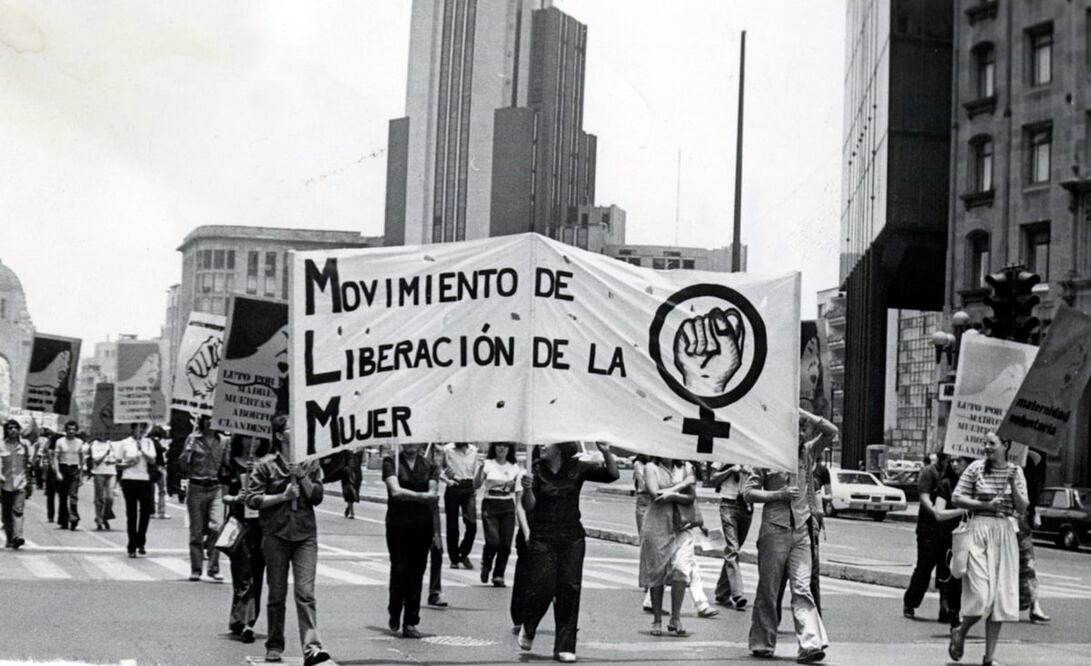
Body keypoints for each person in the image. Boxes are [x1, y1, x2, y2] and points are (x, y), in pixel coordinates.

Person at [518, 441, 619, 663]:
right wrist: (527, 489)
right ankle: (529, 624)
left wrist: (606, 452)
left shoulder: (577, 468)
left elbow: (612, 475)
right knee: (542, 587)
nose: (542, 446)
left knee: (569, 589)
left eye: (548, 442)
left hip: (572, 537)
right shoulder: (533, 470)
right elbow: (529, 506)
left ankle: (564, 646)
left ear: (560, 447)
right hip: (542, 537)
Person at [743, 410, 830, 663]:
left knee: (802, 588)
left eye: (805, 430)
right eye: (798, 430)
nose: (803, 435)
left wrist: (805, 414)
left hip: (801, 529)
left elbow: (831, 432)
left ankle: (810, 643)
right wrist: (777, 494)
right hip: (775, 529)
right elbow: (747, 492)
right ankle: (762, 642)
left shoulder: (807, 452)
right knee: (769, 590)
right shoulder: (766, 454)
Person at [245, 414, 330, 666]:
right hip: (276, 536)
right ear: (280, 435)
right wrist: (282, 496)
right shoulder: (266, 465)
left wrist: (302, 476)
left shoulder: (310, 462)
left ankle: (312, 647)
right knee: (277, 594)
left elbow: (316, 496)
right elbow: (252, 499)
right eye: (291, 428)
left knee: (305, 593)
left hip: (305, 536)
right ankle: (274, 644)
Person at [948, 432, 1029, 666]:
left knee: (999, 600)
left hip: (1004, 532)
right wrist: (985, 504)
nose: (986, 447)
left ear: (1005, 446)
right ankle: (960, 631)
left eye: (991, 443)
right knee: (981, 596)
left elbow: (1022, 507)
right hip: (979, 530)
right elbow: (956, 497)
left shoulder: (1016, 471)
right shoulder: (975, 468)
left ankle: (989, 657)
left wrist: (1013, 483)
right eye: (984, 443)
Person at [382, 442, 440, 638]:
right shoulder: (391, 461)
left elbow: (434, 493)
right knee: (399, 569)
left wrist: (417, 497)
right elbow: (395, 492)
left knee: (416, 573)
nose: (410, 444)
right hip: (398, 525)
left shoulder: (430, 465)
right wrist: (421, 496)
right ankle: (395, 608)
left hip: (422, 526)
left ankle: (411, 621)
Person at [639, 458, 701, 637]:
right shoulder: (651, 468)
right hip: (657, 522)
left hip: (682, 525)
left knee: (681, 569)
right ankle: (657, 619)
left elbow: (691, 497)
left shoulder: (686, 466)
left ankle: (676, 617)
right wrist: (681, 486)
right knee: (656, 571)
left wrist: (673, 495)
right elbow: (655, 494)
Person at [221, 434, 270, 645]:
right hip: (238, 524)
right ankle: (239, 618)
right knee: (242, 572)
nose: (254, 442)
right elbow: (223, 494)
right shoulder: (230, 464)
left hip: (261, 525)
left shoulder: (267, 465)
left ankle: (249, 621)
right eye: (249, 438)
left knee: (257, 572)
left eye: (258, 439)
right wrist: (235, 498)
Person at [904, 452, 956, 621]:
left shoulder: (956, 477)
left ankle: (945, 606)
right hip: (929, 528)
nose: (954, 463)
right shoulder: (929, 472)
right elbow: (924, 497)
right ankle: (911, 602)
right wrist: (936, 511)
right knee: (924, 568)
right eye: (951, 459)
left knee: (946, 569)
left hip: (949, 528)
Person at [181, 415, 226, 581]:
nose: (210, 422)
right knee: (196, 532)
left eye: (212, 418)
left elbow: (227, 464)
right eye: (207, 418)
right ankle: (196, 569)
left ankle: (214, 568)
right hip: (196, 487)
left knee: (218, 527)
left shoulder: (223, 440)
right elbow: (183, 465)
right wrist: (187, 452)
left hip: (216, 487)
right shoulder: (193, 439)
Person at [476, 441, 523, 587]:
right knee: (493, 541)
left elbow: (518, 492)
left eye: (505, 446)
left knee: (506, 544)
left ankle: (498, 574)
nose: (502, 448)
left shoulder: (514, 468)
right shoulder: (488, 464)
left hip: (507, 506)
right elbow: (476, 485)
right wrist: (480, 470)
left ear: (510, 449)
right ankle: (486, 564)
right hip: (490, 505)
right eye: (498, 445)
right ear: (494, 448)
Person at [931, 456, 969, 629]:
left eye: (959, 461)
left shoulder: (976, 485)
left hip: (973, 535)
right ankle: (949, 609)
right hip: (950, 536)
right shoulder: (946, 484)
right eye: (952, 461)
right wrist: (961, 510)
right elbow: (939, 513)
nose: (955, 464)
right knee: (950, 574)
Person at [711, 462, 752, 610]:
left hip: (746, 506)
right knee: (733, 548)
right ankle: (737, 593)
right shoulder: (727, 452)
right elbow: (713, 478)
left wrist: (752, 473)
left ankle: (722, 592)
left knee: (734, 550)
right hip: (728, 504)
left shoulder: (753, 455)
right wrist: (730, 470)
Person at [1019, 449, 1050, 623]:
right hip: (1000, 516)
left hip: (1021, 517)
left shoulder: (1029, 461)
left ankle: (1034, 605)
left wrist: (1035, 510)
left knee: (1028, 563)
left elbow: (1034, 485)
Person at [117, 423, 156, 558]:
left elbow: (153, 460)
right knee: (131, 513)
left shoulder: (149, 442)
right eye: (138, 428)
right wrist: (129, 463)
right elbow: (117, 463)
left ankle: (141, 540)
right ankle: (131, 544)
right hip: (129, 479)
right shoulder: (125, 443)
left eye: (143, 428)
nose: (141, 431)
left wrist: (142, 450)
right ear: (132, 429)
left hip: (145, 480)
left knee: (145, 512)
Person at [441, 441, 480, 569]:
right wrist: (447, 480)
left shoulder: (474, 450)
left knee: (472, 524)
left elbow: (475, 470)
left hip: (468, 487)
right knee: (452, 525)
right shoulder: (447, 449)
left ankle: (463, 553)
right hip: (454, 486)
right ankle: (454, 558)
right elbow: (440, 469)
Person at [1, 419, 32, 549]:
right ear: (6, 431)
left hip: (21, 483)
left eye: (15, 428)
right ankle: (10, 538)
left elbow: (28, 463)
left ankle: (18, 536)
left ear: (19, 430)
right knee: (7, 514)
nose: (13, 430)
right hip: (4, 484)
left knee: (18, 511)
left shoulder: (25, 445)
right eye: (10, 428)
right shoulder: (1, 445)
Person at [425, 444, 448, 608]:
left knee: (437, 549)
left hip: (432, 506)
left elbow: (441, 471)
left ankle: (435, 591)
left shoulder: (435, 459)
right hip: (414, 508)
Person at [53, 421, 84, 530]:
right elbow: (55, 458)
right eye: (69, 429)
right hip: (63, 468)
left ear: (76, 431)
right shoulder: (60, 441)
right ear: (65, 430)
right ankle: (63, 520)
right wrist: (57, 472)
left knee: (73, 496)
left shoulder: (79, 442)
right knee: (63, 497)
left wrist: (81, 475)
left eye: (73, 429)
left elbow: (82, 459)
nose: (71, 431)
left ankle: (74, 518)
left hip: (74, 469)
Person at [87, 437, 118, 530]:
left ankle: (106, 515)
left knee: (110, 497)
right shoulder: (95, 444)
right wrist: (106, 453)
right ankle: (99, 518)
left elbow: (118, 457)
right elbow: (96, 459)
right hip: (99, 472)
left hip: (112, 471)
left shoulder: (113, 443)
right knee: (99, 497)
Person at [149, 426, 171, 519]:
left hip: (150, 467)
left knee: (151, 490)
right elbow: (161, 449)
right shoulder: (156, 441)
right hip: (159, 467)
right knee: (161, 490)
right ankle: (161, 511)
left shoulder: (148, 441)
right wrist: (166, 447)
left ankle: (151, 511)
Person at [341, 448, 364, 519]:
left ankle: (349, 507)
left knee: (355, 494)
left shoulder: (359, 453)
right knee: (349, 494)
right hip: (347, 475)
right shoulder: (346, 451)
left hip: (357, 476)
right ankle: (352, 512)